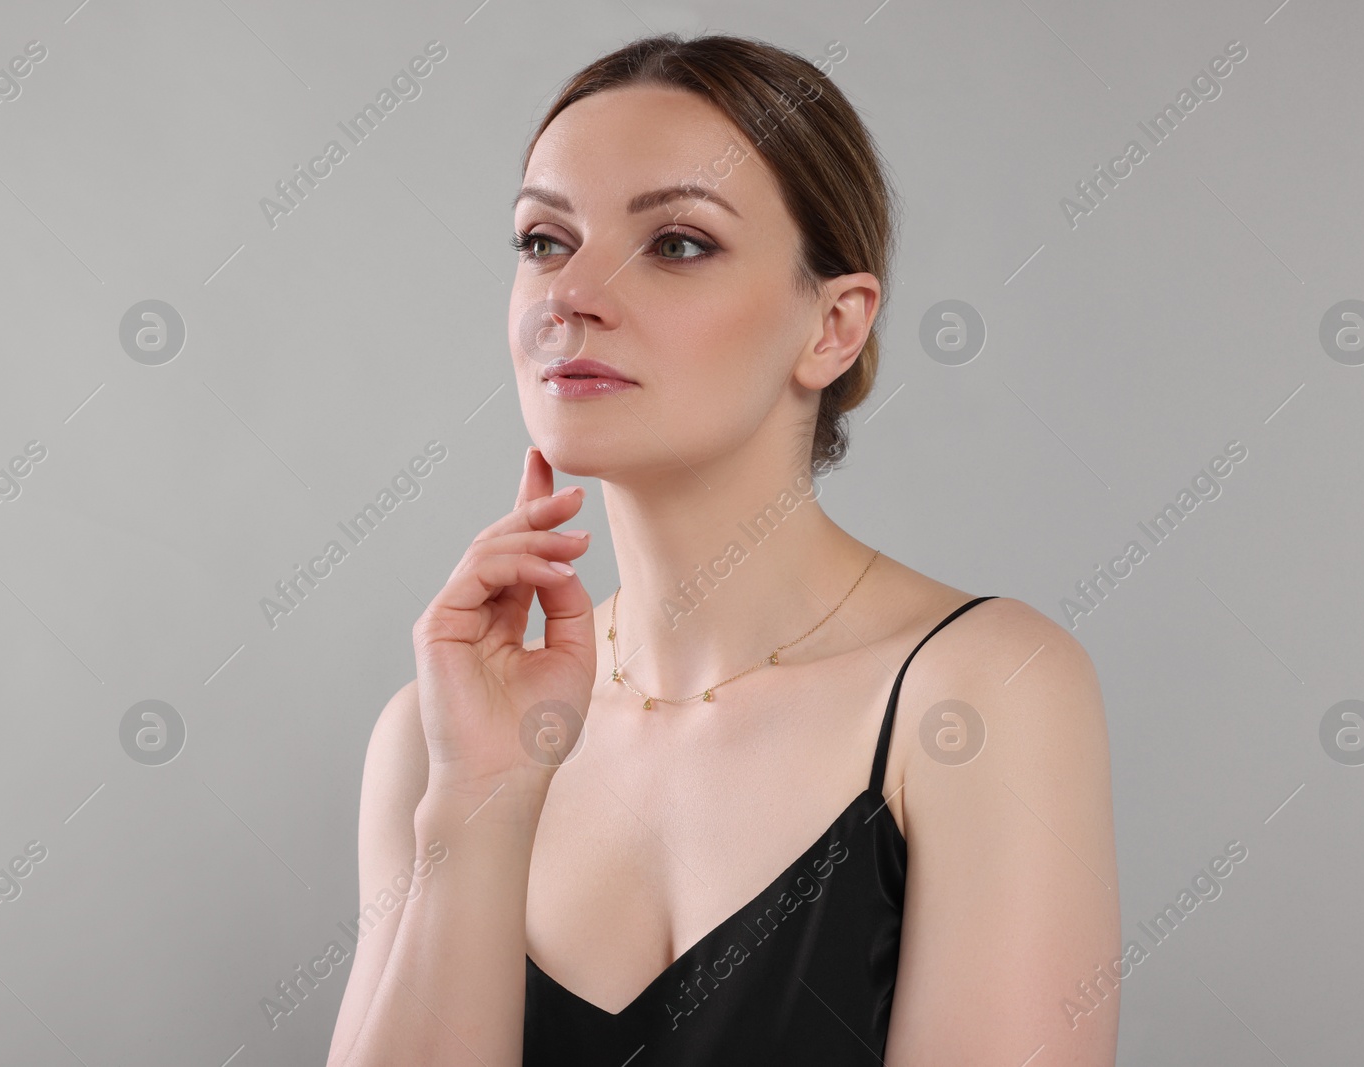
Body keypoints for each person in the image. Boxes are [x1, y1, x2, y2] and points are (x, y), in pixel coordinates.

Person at [326, 31, 1118, 1067]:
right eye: (544, 241)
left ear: (832, 326)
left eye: (676, 244)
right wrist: (481, 799)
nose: (572, 294)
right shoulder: (433, 736)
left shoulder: (978, 692)